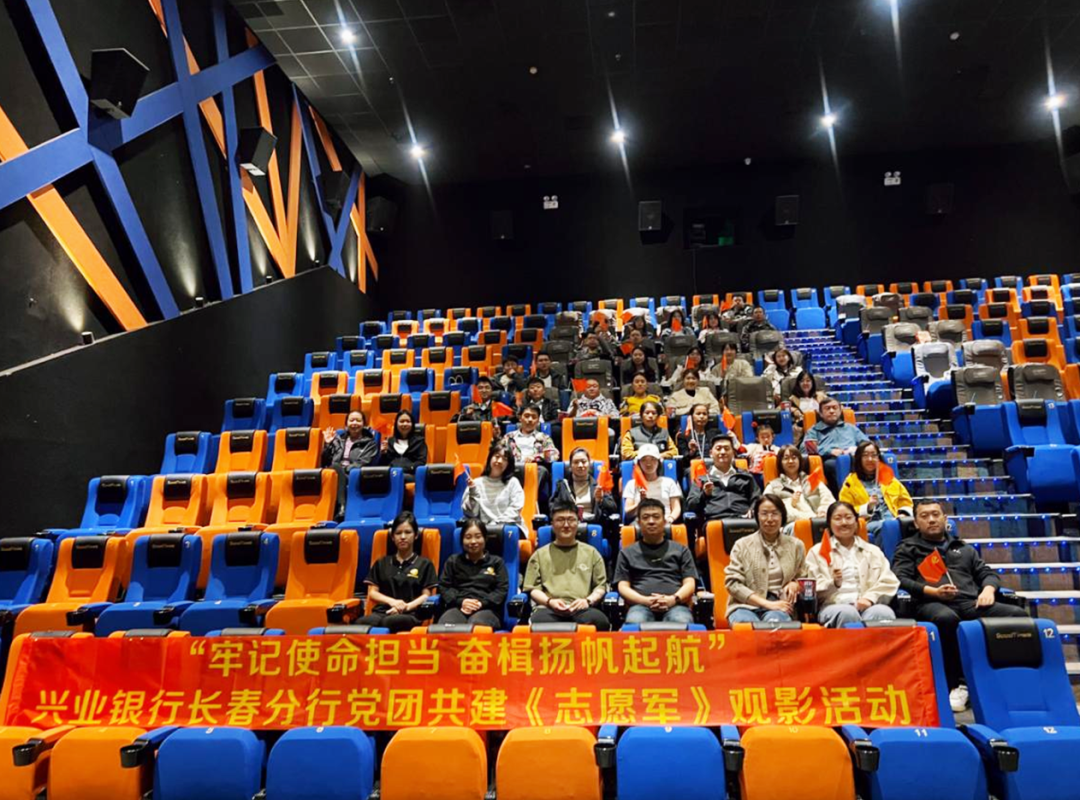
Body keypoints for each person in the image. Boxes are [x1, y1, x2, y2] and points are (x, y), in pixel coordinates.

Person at [891, 499, 1029, 711]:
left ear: (945, 519)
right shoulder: (908, 547)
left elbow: (987, 573)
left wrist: (988, 590)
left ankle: (1008, 681)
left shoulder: (963, 548)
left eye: (936, 514)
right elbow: (900, 579)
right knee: (947, 619)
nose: (931, 519)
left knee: (1017, 615)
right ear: (916, 523)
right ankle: (958, 685)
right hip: (930, 602)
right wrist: (933, 592)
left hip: (970, 602)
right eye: (924, 516)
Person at [806, 501, 899, 627]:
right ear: (829, 523)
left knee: (883, 613)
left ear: (856, 522)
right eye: (838, 518)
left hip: (868, 604)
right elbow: (810, 589)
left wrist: (869, 598)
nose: (844, 522)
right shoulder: (817, 552)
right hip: (833, 606)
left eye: (849, 517)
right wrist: (832, 583)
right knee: (847, 613)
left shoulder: (873, 551)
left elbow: (889, 581)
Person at [523, 500, 611, 629]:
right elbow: (533, 589)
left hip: (583, 608)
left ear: (578, 522)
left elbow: (600, 586)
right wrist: (550, 602)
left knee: (599, 621)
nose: (566, 525)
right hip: (549, 608)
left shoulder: (592, 553)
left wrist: (587, 601)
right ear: (552, 524)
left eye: (571, 520)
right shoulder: (539, 555)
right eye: (560, 520)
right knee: (539, 623)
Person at [613, 498, 698, 625]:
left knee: (682, 621)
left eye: (656, 517)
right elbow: (623, 586)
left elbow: (690, 583)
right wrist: (645, 601)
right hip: (640, 605)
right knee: (635, 621)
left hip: (675, 605)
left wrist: (673, 599)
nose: (651, 521)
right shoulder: (626, 553)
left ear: (664, 521)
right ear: (639, 522)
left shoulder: (681, 550)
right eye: (646, 517)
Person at [724, 494, 806, 623]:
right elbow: (733, 584)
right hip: (744, 605)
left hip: (780, 606)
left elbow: (805, 577)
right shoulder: (742, 545)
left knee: (776, 625)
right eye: (764, 514)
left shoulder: (796, 545)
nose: (769, 519)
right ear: (757, 516)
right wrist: (767, 604)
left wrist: (795, 584)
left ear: (782, 516)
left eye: (775, 514)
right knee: (747, 625)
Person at [356, 511, 438, 633]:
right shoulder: (382, 562)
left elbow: (426, 595)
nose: (403, 537)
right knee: (360, 623)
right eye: (398, 533)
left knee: (390, 622)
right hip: (382, 611)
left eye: (408, 532)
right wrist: (393, 602)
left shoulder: (424, 564)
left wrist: (405, 607)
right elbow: (372, 592)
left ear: (416, 535)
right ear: (393, 537)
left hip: (411, 613)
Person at [437, 518, 509, 629]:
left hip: (487, 609)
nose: (473, 541)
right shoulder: (453, 561)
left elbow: (501, 590)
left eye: (478, 536)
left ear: (485, 538)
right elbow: (444, 586)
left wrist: (481, 603)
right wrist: (461, 601)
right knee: (446, 625)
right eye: (468, 537)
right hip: (459, 606)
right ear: (462, 540)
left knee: (476, 625)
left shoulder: (497, 562)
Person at [839, 440, 913, 534]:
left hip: (893, 519)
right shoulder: (850, 483)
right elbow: (845, 510)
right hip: (869, 522)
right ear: (859, 459)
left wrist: (903, 514)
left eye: (873, 455)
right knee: (887, 528)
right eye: (865, 455)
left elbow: (906, 501)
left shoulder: (889, 478)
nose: (870, 459)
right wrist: (868, 507)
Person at [686, 434, 761, 521]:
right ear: (711, 453)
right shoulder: (701, 479)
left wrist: (753, 509)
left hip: (744, 520)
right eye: (718, 449)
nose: (722, 452)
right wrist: (704, 495)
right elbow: (691, 506)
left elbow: (758, 498)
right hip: (714, 521)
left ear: (733, 453)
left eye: (726, 448)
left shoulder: (745, 476)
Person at [801, 396, 870, 492]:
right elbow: (804, 449)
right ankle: (845, 494)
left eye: (835, 408)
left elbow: (867, 444)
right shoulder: (814, 430)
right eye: (827, 408)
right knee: (834, 464)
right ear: (820, 413)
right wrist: (829, 451)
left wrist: (856, 450)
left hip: (853, 458)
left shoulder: (850, 428)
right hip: (831, 460)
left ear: (840, 411)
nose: (832, 411)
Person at [322, 409, 378, 513]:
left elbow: (364, 462)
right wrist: (328, 444)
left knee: (336, 467)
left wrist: (343, 469)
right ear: (346, 424)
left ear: (364, 424)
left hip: (354, 474)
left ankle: (342, 506)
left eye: (358, 420)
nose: (354, 423)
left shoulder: (370, 443)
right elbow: (325, 460)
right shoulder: (338, 439)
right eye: (351, 420)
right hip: (334, 472)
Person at [765, 444, 836, 525]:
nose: (790, 461)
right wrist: (791, 503)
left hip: (819, 522)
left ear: (799, 460)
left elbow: (829, 499)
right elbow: (768, 508)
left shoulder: (813, 480)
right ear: (780, 463)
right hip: (791, 525)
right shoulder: (773, 486)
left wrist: (823, 511)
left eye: (794, 458)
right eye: (786, 458)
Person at [463, 441, 525, 532]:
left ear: (508, 464)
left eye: (504, 459)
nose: (499, 461)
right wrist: (473, 493)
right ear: (490, 458)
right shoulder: (476, 483)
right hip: (483, 531)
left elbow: (515, 510)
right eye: (497, 456)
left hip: (507, 528)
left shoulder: (513, 483)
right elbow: (472, 514)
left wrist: (495, 524)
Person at [553, 446, 619, 522]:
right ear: (570, 465)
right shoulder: (562, 485)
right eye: (576, 462)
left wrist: (601, 500)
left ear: (589, 464)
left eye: (583, 462)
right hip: (569, 524)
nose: (580, 465)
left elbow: (613, 508)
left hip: (594, 524)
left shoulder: (599, 485)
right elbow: (553, 508)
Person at [506, 404, 559, 496]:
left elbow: (554, 455)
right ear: (520, 418)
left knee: (542, 470)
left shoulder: (544, 437)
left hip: (534, 469)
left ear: (538, 421)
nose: (530, 420)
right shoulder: (509, 437)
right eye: (527, 416)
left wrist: (536, 457)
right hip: (514, 468)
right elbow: (500, 452)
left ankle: (528, 497)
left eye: (534, 417)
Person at [622, 443, 682, 523]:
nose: (648, 463)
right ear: (639, 463)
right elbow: (628, 513)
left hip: (664, 521)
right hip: (641, 523)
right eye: (644, 460)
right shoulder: (632, 484)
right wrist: (640, 503)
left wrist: (670, 519)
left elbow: (676, 507)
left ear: (658, 462)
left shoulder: (669, 482)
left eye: (653, 459)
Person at [376, 409, 428, 476]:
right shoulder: (389, 442)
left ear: (412, 424)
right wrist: (383, 454)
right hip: (391, 475)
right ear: (396, 424)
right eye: (402, 421)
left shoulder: (419, 442)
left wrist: (404, 469)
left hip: (411, 474)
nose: (405, 424)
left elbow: (421, 462)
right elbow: (382, 465)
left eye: (408, 421)